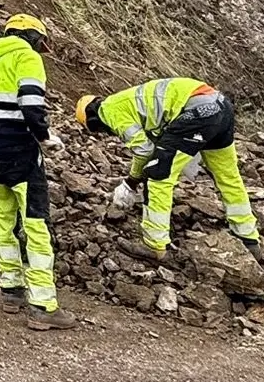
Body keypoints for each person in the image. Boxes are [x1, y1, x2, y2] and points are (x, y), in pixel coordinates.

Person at [0, 14, 75, 330]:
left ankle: (11, 289)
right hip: (21, 150)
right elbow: (31, 102)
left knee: (3, 216)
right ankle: (43, 305)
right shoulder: (28, 57)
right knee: (36, 223)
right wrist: (45, 138)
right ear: (33, 37)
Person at [77, 78, 263, 265]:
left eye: (96, 130)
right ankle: (248, 237)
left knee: (158, 176)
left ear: (92, 119)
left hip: (197, 113)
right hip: (220, 106)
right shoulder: (129, 101)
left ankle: (154, 245)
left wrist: (131, 182)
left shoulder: (108, 110)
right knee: (228, 177)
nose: (103, 134)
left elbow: (144, 151)